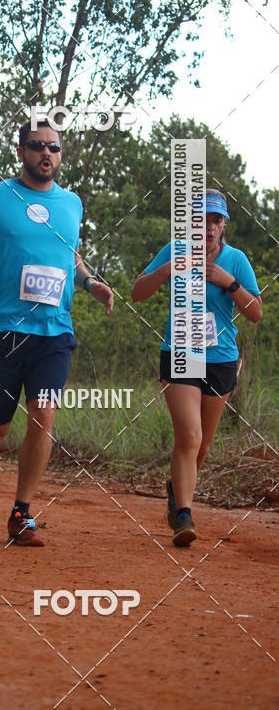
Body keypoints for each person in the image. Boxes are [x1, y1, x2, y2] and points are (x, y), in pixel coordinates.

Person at [0, 119, 114, 546]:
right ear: (21, 151)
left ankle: (21, 514)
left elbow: (70, 255)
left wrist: (90, 282)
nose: (46, 153)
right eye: (37, 145)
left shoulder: (71, 203)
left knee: (44, 415)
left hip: (53, 331)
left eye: (54, 147)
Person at [131, 188, 262, 547]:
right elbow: (138, 292)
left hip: (220, 359)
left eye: (216, 220)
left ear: (224, 225)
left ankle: (176, 491)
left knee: (201, 447)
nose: (209, 227)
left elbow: (255, 312)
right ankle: (184, 517)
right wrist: (166, 270)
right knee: (189, 436)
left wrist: (229, 283)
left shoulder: (235, 260)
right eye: (202, 220)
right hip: (180, 354)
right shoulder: (173, 250)